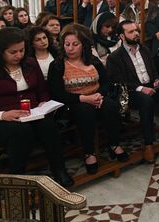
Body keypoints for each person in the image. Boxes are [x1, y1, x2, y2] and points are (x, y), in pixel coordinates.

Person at [48, 24, 128, 174]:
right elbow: (57, 93)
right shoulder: (58, 65)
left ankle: (114, 144)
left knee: (110, 106)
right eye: (67, 44)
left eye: (75, 44)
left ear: (83, 45)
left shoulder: (93, 61)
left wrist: (99, 95)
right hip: (72, 102)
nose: (70, 48)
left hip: (96, 96)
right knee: (85, 112)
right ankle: (89, 153)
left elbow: (105, 82)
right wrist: (84, 98)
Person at [0, 27, 73, 187]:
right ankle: (17, 180)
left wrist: (44, 102)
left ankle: (59, 169)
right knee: (20, 132)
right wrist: (3, 115)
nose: (19, 55)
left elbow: (42, 90)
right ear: (1, 52)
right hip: (4, 117)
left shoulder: (30, 63)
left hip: (32, 112)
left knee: (48, 126)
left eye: (22, 50)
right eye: (13, 52)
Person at [106, 20, 159, 163]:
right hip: (131, 91)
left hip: (151, 86)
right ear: (122, 36)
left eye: (136, 30)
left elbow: (153, 70)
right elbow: (118, 82)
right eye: (131, 32)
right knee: (146, 100)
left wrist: (156, 79)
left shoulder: (145, 49)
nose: (136, 33)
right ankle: (148, 144)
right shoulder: (115, 57)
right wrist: (142, 88)